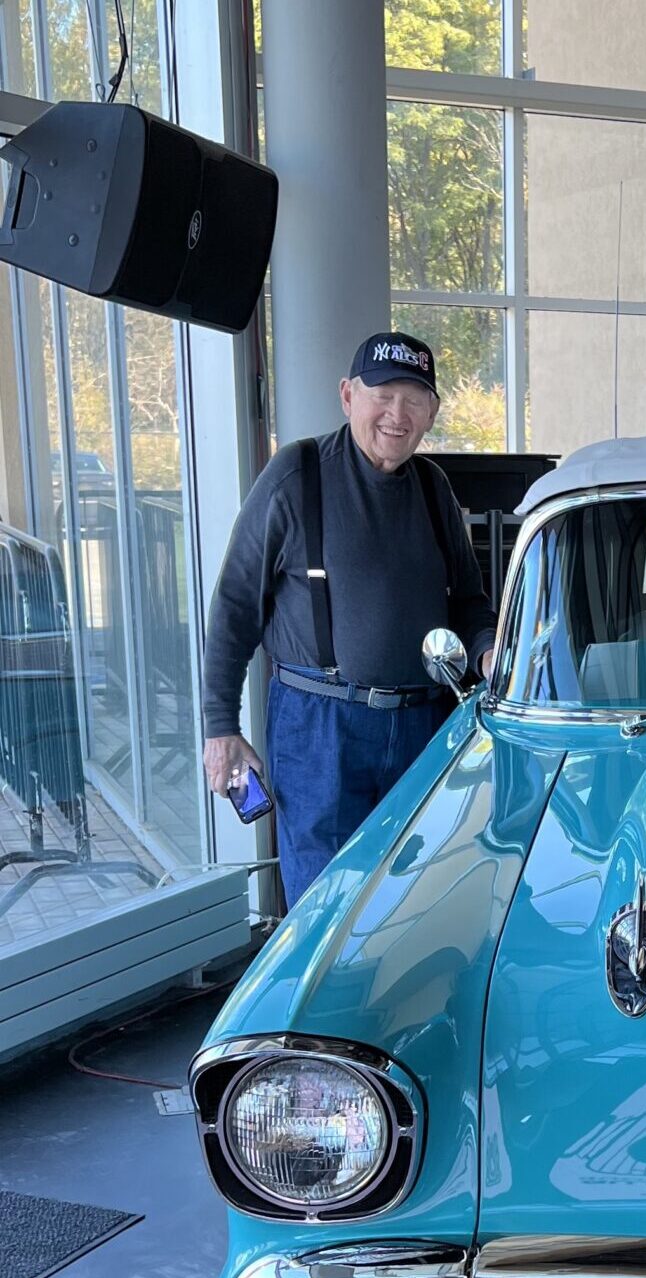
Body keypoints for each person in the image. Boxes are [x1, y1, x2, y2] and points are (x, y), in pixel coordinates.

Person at [200, 330, 495, 906]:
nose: (397, 414)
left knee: (417, 900)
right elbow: (235, 603)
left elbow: (468, 601)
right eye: (382, 394)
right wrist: (220, 726)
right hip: (320, 730)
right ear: (347, 396)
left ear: (432, 412)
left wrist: (486, 647)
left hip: (421, 728)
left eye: (414, 399)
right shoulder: (296, 475)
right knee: (324, 909)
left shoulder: (434, 489)